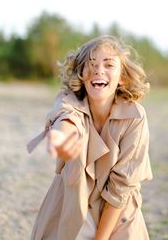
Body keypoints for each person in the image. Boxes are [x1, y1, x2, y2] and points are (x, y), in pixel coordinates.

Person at [27, 34, 153, 240]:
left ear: (122, 77)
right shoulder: (70, 101)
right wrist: (61, 136)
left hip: (118, 212)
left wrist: (100, 238)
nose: (98, 69)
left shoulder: (135, 117)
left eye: (108, 64)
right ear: (82, 73)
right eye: (91, 63)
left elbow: (119, 189)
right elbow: (66, 118)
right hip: (73, 202)